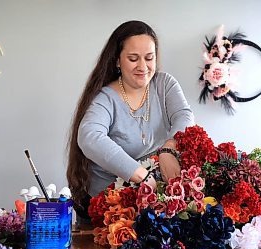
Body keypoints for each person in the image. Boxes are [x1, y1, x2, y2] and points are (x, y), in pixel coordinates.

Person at [67, 20, 194, 222]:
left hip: (149, 202)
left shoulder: (164, 84)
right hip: (108, 208)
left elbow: (184, 116)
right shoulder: (106, 98)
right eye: (133, 58)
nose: (143, 67)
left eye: (149, 58)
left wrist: (168, 149)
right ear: (117, 61)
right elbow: (89, 136)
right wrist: (139, 174)